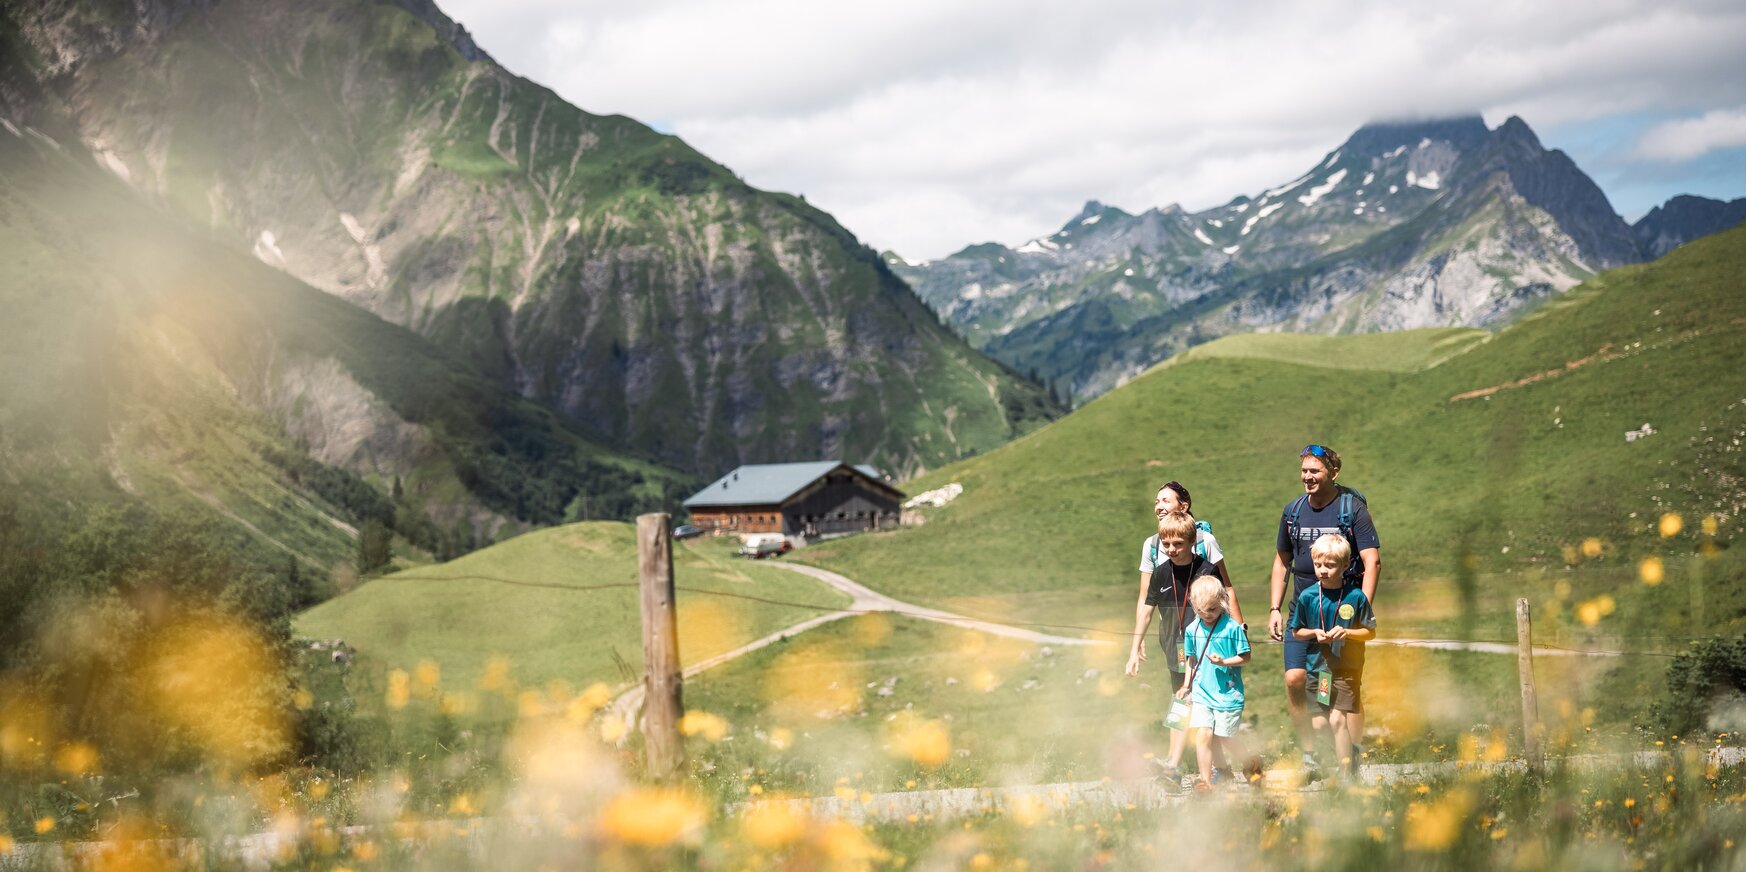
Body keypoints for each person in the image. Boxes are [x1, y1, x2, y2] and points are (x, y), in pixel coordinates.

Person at [1265, 444, 1380, 774]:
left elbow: (1372, 562)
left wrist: (1362, 609)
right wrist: (1274, 607)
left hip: (1343, 613)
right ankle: (1310, 753)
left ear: (1333, 472)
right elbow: (1281, 562)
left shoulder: (1352, 509)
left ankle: (1352, 756)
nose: (1307, 477)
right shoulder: (1294, 511)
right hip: (1303, 609)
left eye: (1314, 470)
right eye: (1304, 471)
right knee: (1294, 679)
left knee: (1347, 686)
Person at [1125, 510, 1220, 790]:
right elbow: (1146, 610)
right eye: (1166, 544)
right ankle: (1178, 766)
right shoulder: (1161, 572)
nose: (1171, 550)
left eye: (1178, 544)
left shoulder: (1206, 570)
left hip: (1204, 651)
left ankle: (1189, 766)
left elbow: (1220, 610)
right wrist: (1134, 649)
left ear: (1191, 541)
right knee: (1181, 702)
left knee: (1201, 707)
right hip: (1174, 649)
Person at [1288, 534, 1376, 776]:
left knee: (1338, 720)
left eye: (1330, 565)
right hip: (1319, 670)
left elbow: (1370, 632)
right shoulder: (1307, 596)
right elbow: (1296, 631)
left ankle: (1346, 775)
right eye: (1318, 565)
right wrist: (1315, 633)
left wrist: (1347, 632)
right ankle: (1349, 751)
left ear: (1345, 565)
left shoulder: (1355, 596)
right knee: (1319, 723)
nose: (1323, 570)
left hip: (1346, 669)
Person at [1179, 575, 1253, 790]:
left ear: (1222, 601)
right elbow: (1191, 660)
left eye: (1212, 609)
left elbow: (1246, 657)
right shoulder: (1192, 630)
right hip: (1202, 692)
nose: (1207, 615)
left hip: (1228, 695)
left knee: (1225, 737)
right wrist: (1186, 685)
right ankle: (1205, 781)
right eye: (1201, 611)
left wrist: (1224, 661)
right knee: (1203, 735)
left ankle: (1251, 762)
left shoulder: (1232, 628)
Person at [1146, 482, 1246, 626]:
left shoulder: (1205, 540)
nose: (1159, 507)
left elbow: (1227, 588)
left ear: (1183, 507)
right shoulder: (1151, 545)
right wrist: (1139, 636)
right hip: (1171, 633)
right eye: (1157, 502)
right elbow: (1146, 595)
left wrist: (1240, 629)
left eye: (1166, 501)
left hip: (1209, 628)